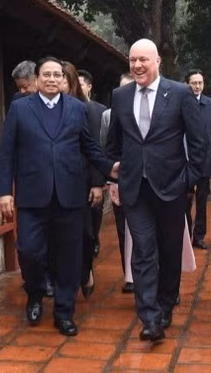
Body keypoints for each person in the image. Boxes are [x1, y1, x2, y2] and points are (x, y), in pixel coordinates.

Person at [0, 56, 118, 336]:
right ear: (37, 79)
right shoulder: (20, 109)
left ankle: (64, 312)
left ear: (63, 79)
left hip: (69, 196)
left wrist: (110, 167)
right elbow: (8, 152)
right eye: (46, 75)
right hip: (31, 196)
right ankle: (36, 294)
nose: (52, 79)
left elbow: (89, 146)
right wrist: (3, 191)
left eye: (57, 75)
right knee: (29, 250)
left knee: (68, 257)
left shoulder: (76, 109)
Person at [106, 39, 205, 342]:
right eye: (132, 60)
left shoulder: (179, 93)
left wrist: (188, 180)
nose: (137, 66)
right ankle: (149, 316)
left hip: (172, 188)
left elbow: (200, 143)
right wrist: (113, 177)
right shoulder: (120, 96)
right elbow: (112, 146)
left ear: (157, 61)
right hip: (134, 189)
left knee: (170, 250)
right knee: (144, 251)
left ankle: (165, 304)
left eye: (143, 60)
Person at [61, 61, 106, 298]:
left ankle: (86, 269)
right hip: (59, 182)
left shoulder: (85, 110)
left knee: (87, 235)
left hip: (84, 180)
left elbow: (95, 148)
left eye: (63, 80)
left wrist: (98, 183)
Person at [101, 73, 135, 293]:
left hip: (153, 181)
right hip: (121, 179)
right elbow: (107, 147)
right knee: (124, 228)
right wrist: (109, 179)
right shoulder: (108, 116)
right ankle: (130, 275)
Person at [184, 69, 211, 249]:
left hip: (204, 159)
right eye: (194, 83)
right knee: (184, 200)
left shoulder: (210, 104)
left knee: (202, 200)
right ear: (187, 84)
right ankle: (185, 233)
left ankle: (199, 236)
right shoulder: (180, 103)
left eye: (200, 83)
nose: (198, 86)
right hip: (184, 160)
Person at [77, 68, 108, 257]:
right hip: (78, 171)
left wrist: (99, 180)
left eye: (81, 85)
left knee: (95, 211)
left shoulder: (100, 111)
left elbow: (101, 145)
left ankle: (94, 239)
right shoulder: (71, 108)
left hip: (95, 169)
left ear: (89, 87)